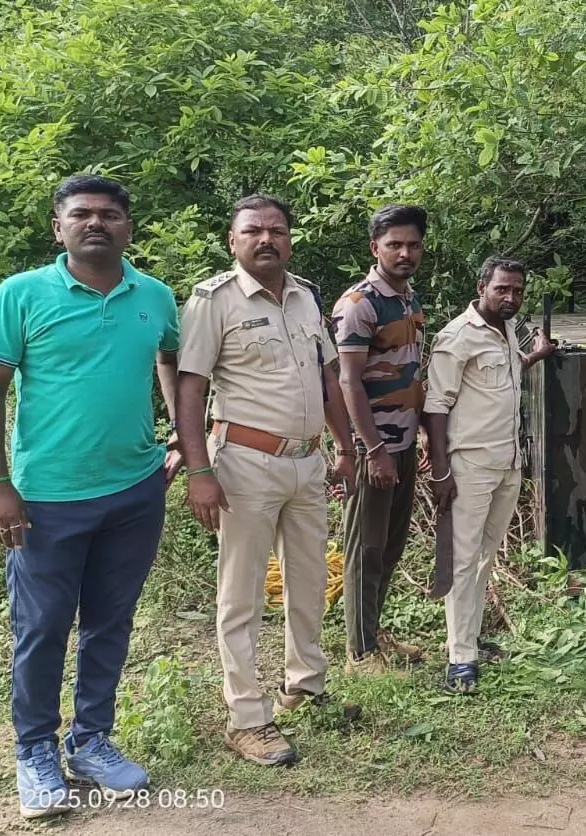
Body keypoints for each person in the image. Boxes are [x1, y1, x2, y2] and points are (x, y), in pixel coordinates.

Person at [0, 174, 180, 819]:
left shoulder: (155, 297)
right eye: (82, 214)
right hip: (46, 500)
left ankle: (90, 741)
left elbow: (171, 362)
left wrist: (181, 438)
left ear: (128, 227)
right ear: (58, 227)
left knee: (110, 622)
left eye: (109, 214)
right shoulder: (21, 295)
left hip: (136, 492)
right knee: (41, 628)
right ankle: (35, 750)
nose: (96, 223)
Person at [175, 195, 362, 767]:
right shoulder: (213, 302)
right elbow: (190, 391)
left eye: (277, 230)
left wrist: (346, 446)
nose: (266, 239)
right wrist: (199, 471)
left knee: (309, 579)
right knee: (243, 593)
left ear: (289, 239)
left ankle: (304, 684)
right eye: (253, 231)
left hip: (307, 463)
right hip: (244, 465)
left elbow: (328, 378)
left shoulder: (305, 296)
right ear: (232, 241)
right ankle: (247, 717)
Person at [423, 258, 554, 693]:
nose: (510, 297)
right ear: (482, 287)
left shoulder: (506, 329)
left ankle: (470, 638)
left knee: (484, 557)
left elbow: (505, 376)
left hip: (508, 463)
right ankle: (460, 658)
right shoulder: (457, 336)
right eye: (502, 289)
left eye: (517, 290)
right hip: (469, 467)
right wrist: (440, 471)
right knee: (462, 561)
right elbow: (435, 406)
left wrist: (536, 356)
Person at [332, 204, 430, 672]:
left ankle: (373, 632)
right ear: (376, 248)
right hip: (374, 449)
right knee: (364, 548)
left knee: (390, 545)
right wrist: (372, 450)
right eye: (394, 245)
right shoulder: (360, 304)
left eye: (413, 245)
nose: (404, 253)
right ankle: (360, 651)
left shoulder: (408, 300)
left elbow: (412, 373)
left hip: (403, 443)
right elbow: (347, 382)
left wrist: (421, 433)